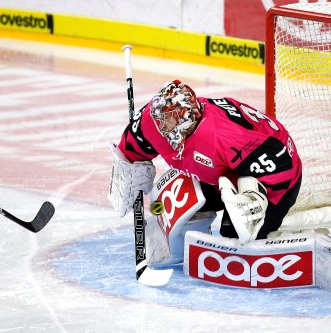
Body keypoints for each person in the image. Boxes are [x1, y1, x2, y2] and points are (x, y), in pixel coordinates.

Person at [110, 79, 302, 244]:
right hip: (223, 171)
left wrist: (252, 201)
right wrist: (128, 168)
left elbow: (282, 164)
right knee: (167, 206)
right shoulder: (153, 118)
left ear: (187, 118)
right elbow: (132, 145)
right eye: (161, 118)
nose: (162, 125)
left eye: (170, 119)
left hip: (278, 175)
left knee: (236, 235)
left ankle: (253, 215)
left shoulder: (224, 137)